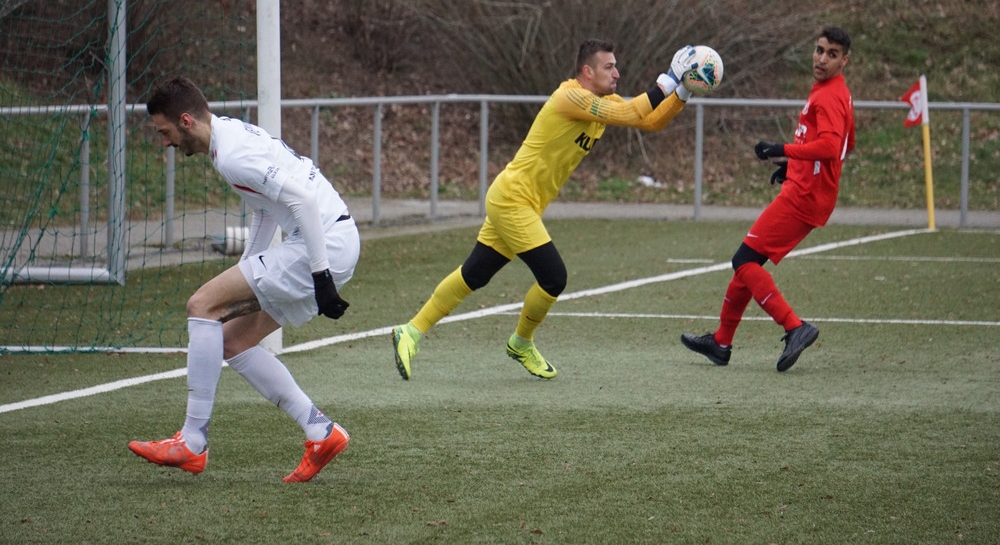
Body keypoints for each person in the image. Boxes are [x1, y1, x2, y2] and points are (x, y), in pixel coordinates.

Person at [392, 39, 699, 380]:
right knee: (554, 277)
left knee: (474, 274)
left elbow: (650, 121)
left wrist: (683, 91)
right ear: (587, 71)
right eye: (609, 67)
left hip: (520, 202)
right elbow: (631, 112)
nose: (617, 73)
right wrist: (669, 77)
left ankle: (411, 331)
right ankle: (521, 343)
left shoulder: (601, 102)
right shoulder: (570, 97)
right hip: (513, 199)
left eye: (615, 66)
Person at [128, 76, 361, 481]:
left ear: (185, 121)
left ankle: (192, 442)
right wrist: (247, 268)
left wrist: (321, 274)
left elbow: (303, 200)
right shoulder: (228, 136)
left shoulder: (232, 155)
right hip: (330, 241)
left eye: (165, 132)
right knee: (232, 341)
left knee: (201, 305)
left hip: (322, 243)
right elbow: (266, 210)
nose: (165, 143)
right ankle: (321, 431)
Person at [680, 26, 855, 372]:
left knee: (743, 261)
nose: (822, 59)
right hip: (806, 188)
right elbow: (844, 144)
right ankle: (721, 343)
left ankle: (794, 326)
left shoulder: (829, 96)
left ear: (844, 61)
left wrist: (781, 149)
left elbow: (831, 147)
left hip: (804, 197)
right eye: (819, 50)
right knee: (749, 264)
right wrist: (795, 166)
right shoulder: (834, 91)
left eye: (832, 54)